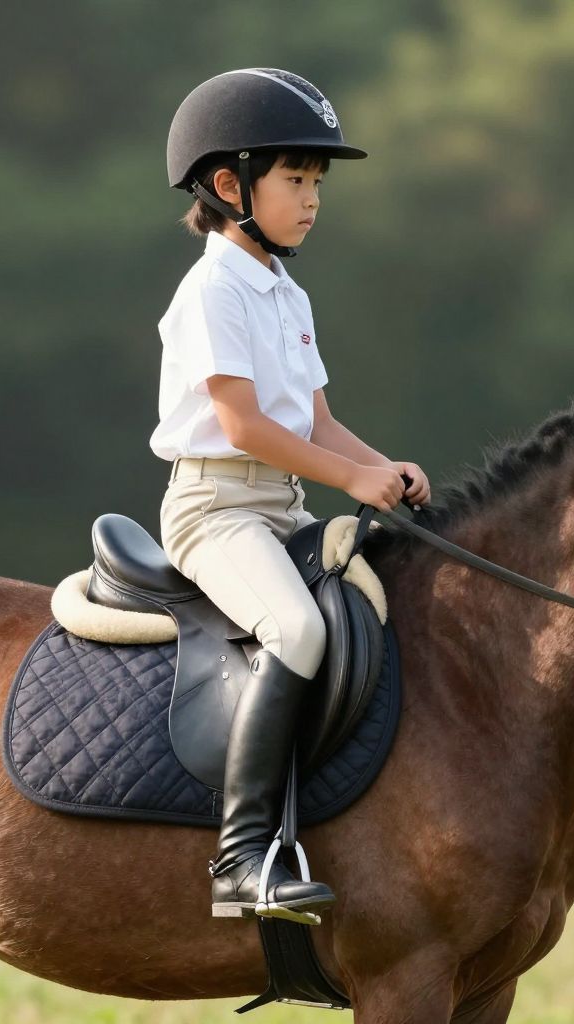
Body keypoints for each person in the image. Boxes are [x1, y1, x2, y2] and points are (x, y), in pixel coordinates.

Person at [151, 68, 432, 924]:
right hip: (215, 508)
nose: (311, 201)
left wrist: (387, 466)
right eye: (295, 181)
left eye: (317, 184)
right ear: (230, 186)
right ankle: (241, 861)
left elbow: (316, 419)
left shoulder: (285, 292)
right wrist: (349, 480)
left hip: (281, 506)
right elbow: (240, 425)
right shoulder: (211, 290)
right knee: (300, 627)